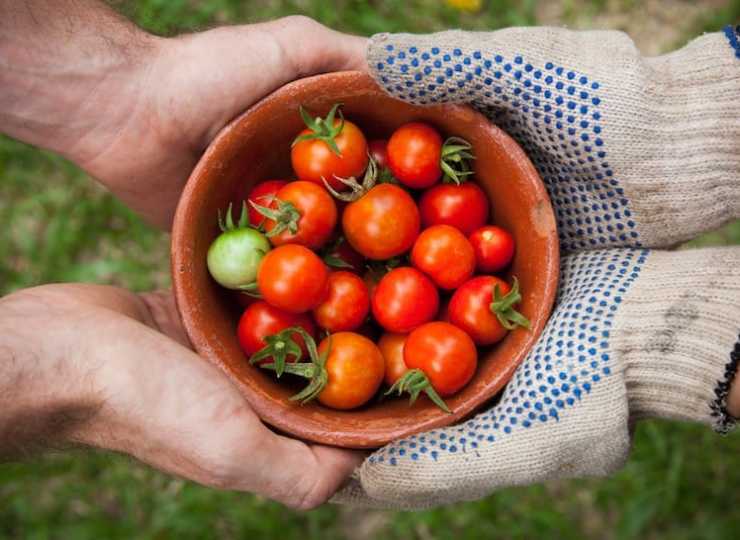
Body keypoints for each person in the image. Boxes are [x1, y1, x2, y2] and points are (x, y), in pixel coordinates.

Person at [1, 0, 738, 511]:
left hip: (417, 289)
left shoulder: (346, 247)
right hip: (412, 299)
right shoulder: (334, 276)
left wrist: (710, 113)